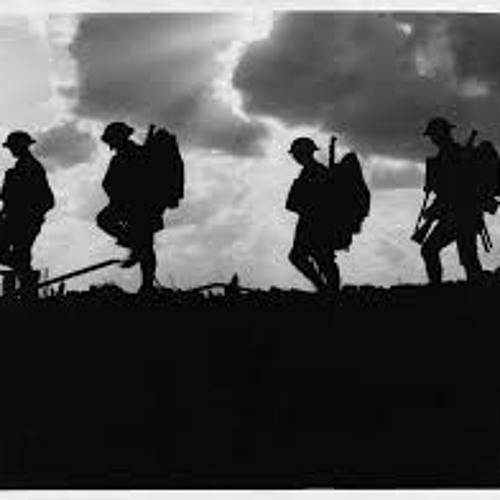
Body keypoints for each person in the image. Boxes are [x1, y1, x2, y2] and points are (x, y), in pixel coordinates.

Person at [286, 136, 370, 294]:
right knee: (318, 258)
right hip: (311, 222)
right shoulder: (312, 171)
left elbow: (322, 201)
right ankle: (326, 290)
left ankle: (328, 291)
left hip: (317, 223)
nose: (295, 157)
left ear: (304, 153)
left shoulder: (315, 171)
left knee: (319, 258)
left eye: (296, 153)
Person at [417, 117, 485, 284]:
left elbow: (454, 191)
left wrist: (433, 210)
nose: (432, 139)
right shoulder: (448, 156)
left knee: (465, 258)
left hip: (461, 216)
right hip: (456, 216)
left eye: (433, 134)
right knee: (466, 259)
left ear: (441, 134)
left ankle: (474, 296)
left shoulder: (455, 156)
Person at [97, 121, 163, 294]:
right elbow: (108, 183)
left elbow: (145, 183)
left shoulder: (136, 155)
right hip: (130, 206)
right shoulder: (126, 156)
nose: (109, 144)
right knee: (144, 245)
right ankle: (134, 245)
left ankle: (147, 285)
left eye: (111, 140)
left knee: (145, 246)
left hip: (140, 208)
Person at [0, 130, 54, 292]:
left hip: (24, 220)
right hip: (14, 219)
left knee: (20, 253)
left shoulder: (31, 168)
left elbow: (46, 200)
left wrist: (30, 216)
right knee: (19, 255)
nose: (11, 150)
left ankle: (26, 280)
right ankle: (25, 274)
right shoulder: (19, 168)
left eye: (13, 146)